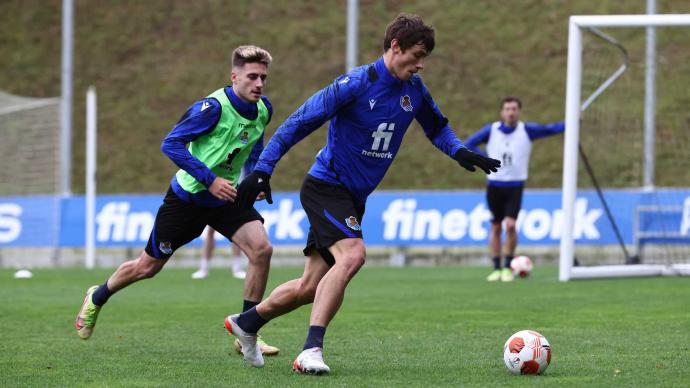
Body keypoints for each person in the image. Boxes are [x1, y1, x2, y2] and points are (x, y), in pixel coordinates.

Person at [226, 14, 501, 373]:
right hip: (326, 187)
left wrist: (460, 151)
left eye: (425, 58)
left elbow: (438, 128)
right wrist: (263, 168)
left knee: (311, 286)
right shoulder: (355, 83)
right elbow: (298, 122)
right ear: (395, 47)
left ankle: (247, 323)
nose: (420, 64)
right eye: (416, 55)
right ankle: (311, 350)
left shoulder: (414, 90)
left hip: (353, 197)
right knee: (353, 255)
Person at [74, 45, 279, 356]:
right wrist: (210, 181)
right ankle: (97, 296)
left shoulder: (263, 109)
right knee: (148, 267)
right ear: (234, 77)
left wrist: (255, 178)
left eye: (263, 77)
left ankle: (247, 329)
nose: (259, 84)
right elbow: (171, 144)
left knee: (261, 250)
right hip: (189, 198)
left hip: (227, 197)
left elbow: (254, 147)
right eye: (252, 77)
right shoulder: (212, 108)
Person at [464, 97, 564, 282]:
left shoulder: (526, 130)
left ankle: (508, 266)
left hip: (515, 186)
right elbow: (469, 144)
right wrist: (484, 158)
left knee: (510, 225)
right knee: (495, 227)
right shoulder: (491, 130)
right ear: (502, 112)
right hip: (494, 184)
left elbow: (550, 129)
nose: (511, 112)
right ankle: (496, 268)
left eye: (514, 109)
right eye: (507, 109)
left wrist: (572, 123)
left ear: (519, 111)